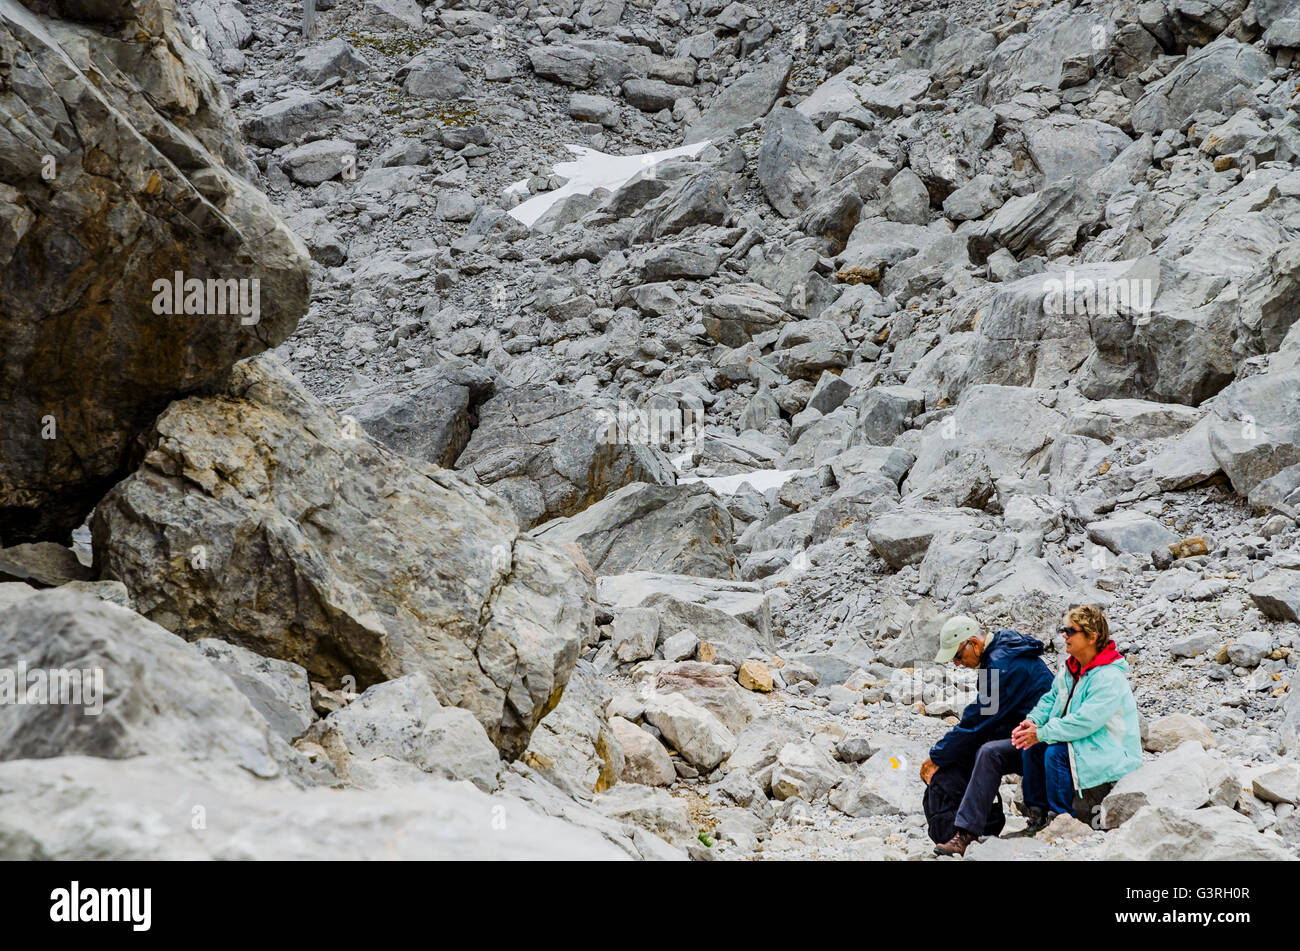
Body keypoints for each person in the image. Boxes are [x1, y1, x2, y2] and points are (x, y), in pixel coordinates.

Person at [922, 615, 1054, 855]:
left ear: (973, 642)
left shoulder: (1001, 663)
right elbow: (988, 716)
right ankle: (969, 824)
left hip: (1044, 740)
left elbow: (978, 720)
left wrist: (937, 756)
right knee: (977, 747)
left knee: (988, 752)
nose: (958, 663)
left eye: (958, 656)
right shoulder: (1001, 652)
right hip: (1028, 733)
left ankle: (966, 833)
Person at [1011, 604, 1142, 829]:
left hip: (1110, 748)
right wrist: (1033, 721)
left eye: (1071, 631)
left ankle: (1061, 819)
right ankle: (1036, 814)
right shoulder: (1071, 668)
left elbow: (1086, 721)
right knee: (1031, 746)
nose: (1064, 635)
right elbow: (1051, 699)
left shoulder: (1108, 676)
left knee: (1055, 752)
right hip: (1087, 739)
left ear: (1092, 637)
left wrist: (1042, 733)